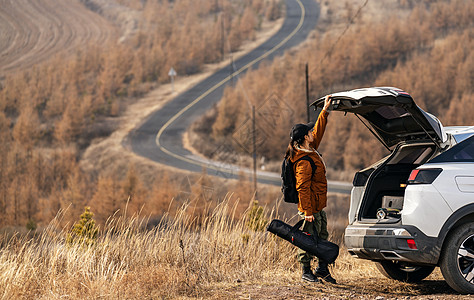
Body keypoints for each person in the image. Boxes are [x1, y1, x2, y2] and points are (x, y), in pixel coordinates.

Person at [285, 95, 336, 283]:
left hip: (318, 205)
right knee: (306, 239)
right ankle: (306, 271)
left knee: (322, 236)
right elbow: (302, 188)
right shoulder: (302, 162)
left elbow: (319, 130)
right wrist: (306, 212)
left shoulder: (310, 149)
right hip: (309, 208)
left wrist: (325, 111)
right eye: (309, 131)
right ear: (305, 138)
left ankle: (322, 269)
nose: (312, 132)